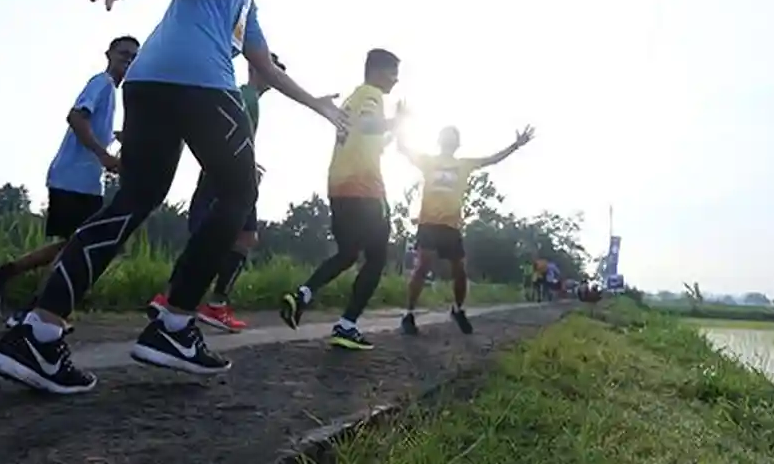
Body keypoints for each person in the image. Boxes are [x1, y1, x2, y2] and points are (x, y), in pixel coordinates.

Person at [0, 0, 347, 395]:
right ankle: (174, 324)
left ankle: (38, 333)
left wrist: (317, 105)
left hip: (149, 86)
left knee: (133, 201)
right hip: (200, 86)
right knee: (239, 193)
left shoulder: (244, 4)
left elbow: (265, 65)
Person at [0, 35, 137, 324]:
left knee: (72, 244)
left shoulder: (111, 93)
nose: (128, 60)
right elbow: (76, 117)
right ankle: (34, 309)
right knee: (78, 246)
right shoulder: (102, 83)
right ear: (109, 53)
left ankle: (1, 276)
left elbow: (94, 127)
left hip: (83, 181)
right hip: (74, 178)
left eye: (134, 57)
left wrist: (118, 141)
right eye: (124, 53)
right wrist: (103, 155)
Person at [147, 53, 286, 332]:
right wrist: (242, 166)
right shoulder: (246, 96)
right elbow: (227, 136)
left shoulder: (248, 97)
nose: (278, 73)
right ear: (256, 68)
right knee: (232, 236)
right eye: (274, 67)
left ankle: (171, 296)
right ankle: (211, 304)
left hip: (223, 172)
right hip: (227, 175)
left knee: (229, 237)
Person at [279, 49, 403, 351]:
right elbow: (367, 124)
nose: (396, 81)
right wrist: (395, 121)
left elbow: (365, 136)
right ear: (377, 71)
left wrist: (390, 135)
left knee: (348, 253)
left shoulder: (354, 97)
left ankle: (303, 295)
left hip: (339, 184)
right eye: (393, 73)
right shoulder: (372, 95)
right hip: (365, 188)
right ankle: (346, 326)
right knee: (376, 258)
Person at [398, 125, 535, 336]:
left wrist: (515, 145)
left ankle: (458, 309)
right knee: (422, 266)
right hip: (428, 223)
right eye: (446, 136)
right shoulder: (428, 161)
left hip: (451, 226)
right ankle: (409, 314)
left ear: (457, 143)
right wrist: (400, 123)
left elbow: (492, 159)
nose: (449, 140)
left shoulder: (464, 164)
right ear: (440, 140)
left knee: (460, 271)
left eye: (453, 137)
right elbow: (404, 149)